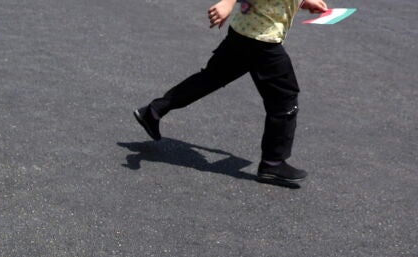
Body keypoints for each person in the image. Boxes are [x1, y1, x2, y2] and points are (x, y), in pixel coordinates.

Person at [133, 0, 329, 188]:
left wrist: (303, 1)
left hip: (243, 33)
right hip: (262, 40)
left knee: (210, 78)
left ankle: (153, 111)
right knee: (284, 99)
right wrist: (227, 2)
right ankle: (273, 163)